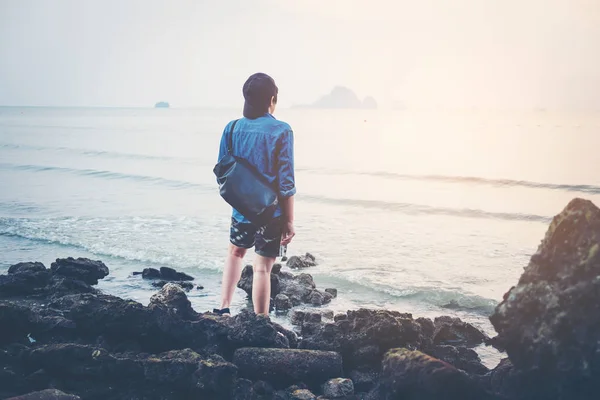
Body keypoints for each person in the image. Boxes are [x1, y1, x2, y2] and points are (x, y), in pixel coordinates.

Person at [214, 72, 296, 316]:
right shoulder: (282, 131)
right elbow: (286, 183)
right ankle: (261, 322)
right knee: (262, 269)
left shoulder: (232, 128)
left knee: (235, 253)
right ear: (272, 99)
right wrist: (289, 220)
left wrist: (241, 199)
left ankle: (223, 308)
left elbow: (221, 169)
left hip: (241, 210)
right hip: (271, 212)